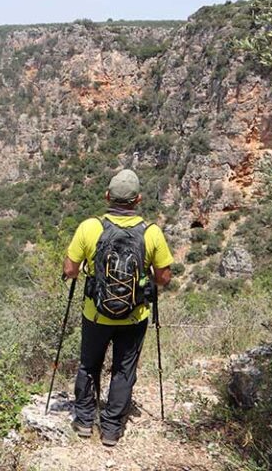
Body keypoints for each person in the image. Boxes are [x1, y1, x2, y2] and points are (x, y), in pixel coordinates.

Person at [62, 169, 173, 447]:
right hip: (134, 317)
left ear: (108, 196)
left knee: (89, 364)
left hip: (95, 314)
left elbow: (69, 270)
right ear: (138, 200)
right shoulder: (152, 232)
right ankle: (111, 429)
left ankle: (85, 421)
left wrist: (90, 267)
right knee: (124, 370)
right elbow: (164, 277)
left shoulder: (90, 227)